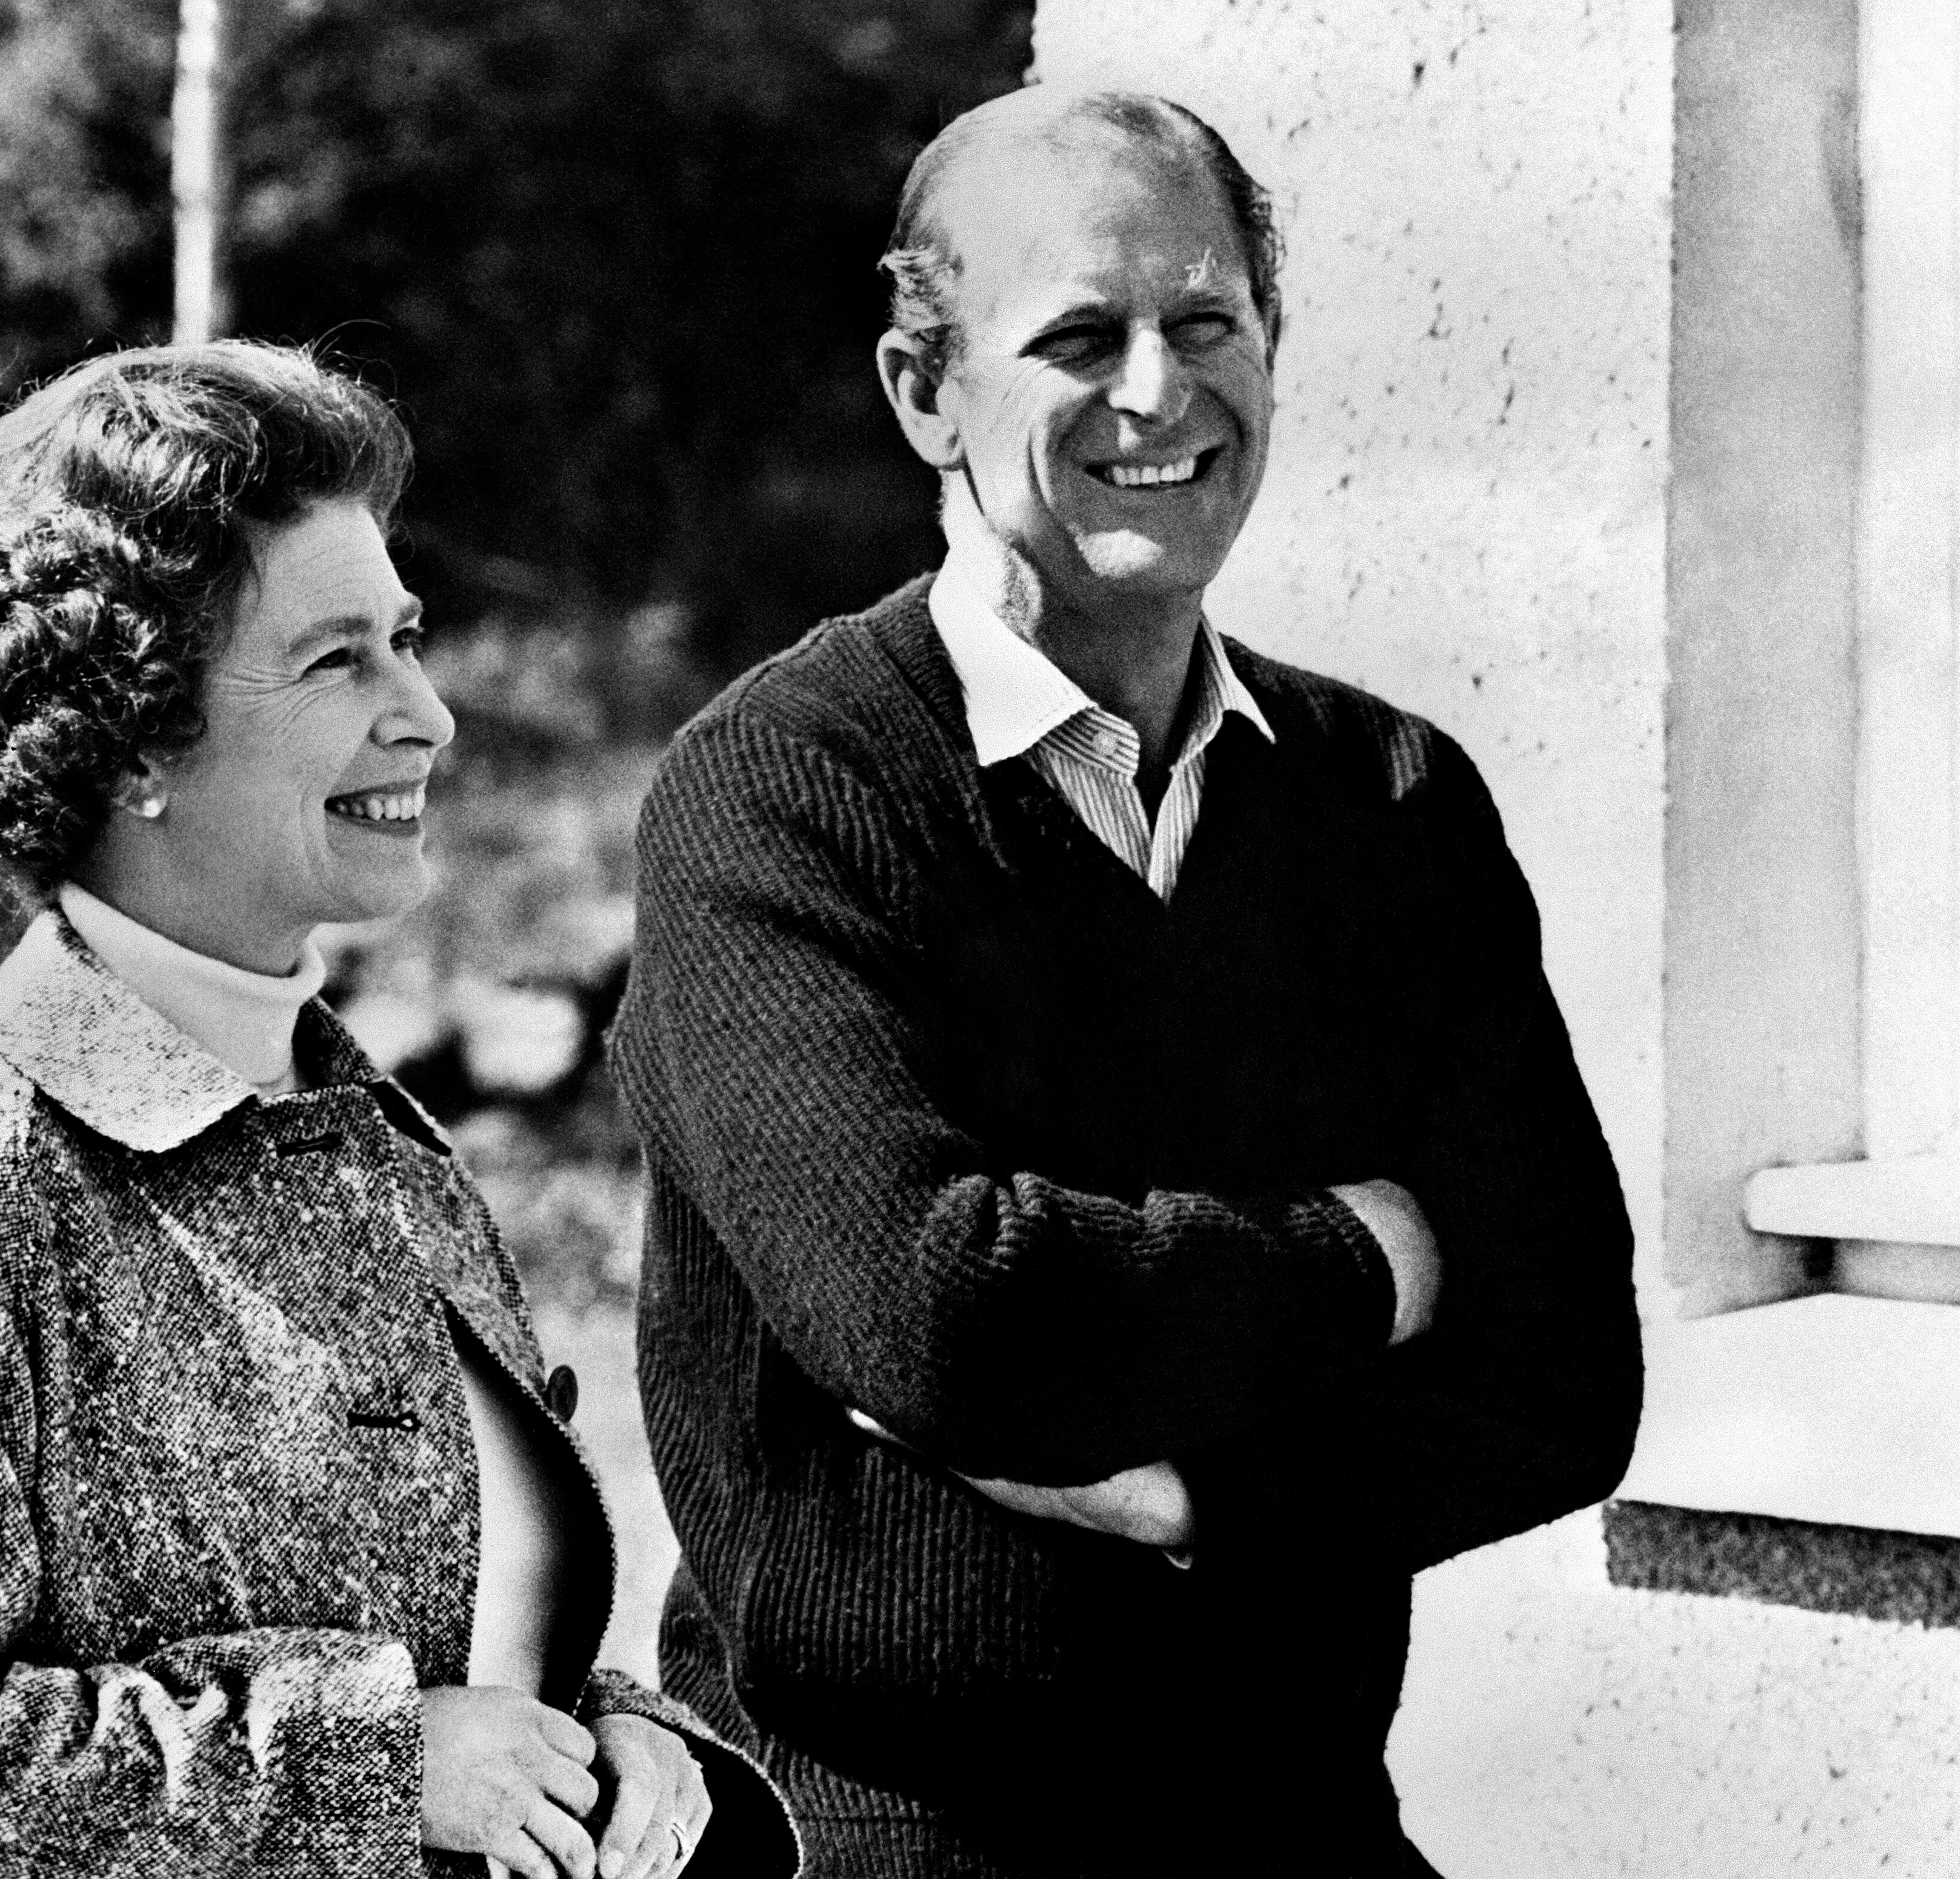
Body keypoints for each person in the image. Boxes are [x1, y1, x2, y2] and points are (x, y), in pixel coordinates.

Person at [607, 85, 1641, 1877]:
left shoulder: (1388, 804)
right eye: (1080, 337)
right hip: (882, 1835)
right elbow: (937, 1309)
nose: (1160, 393)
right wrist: (1376, 1253)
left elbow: (1561, 1381)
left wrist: (1196, 1501)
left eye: (1207, 322)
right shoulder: (786, 793)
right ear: (925, 390)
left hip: (1299, 1823)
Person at [0, 341, 798, 1879]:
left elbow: (451, 1653)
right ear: (134, 736)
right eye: (340, 659)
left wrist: (612, 1745)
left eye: (407, 639)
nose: (430, 717)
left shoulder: (371, 1139)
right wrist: (371, 1761)